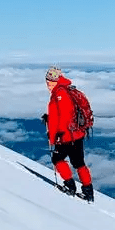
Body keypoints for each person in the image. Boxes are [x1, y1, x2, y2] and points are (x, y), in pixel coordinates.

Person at [43, 66, 94, 202]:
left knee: (57, 159)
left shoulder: (60, 93)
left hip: (66, 135)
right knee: (79, 163)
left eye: (49, 81)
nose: (48, 84)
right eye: (47, 81)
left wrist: (56, 136)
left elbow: (64, 115)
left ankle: (70, 186)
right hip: (77, 133)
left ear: (55, 80)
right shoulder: (67, 89)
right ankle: (88, 192)